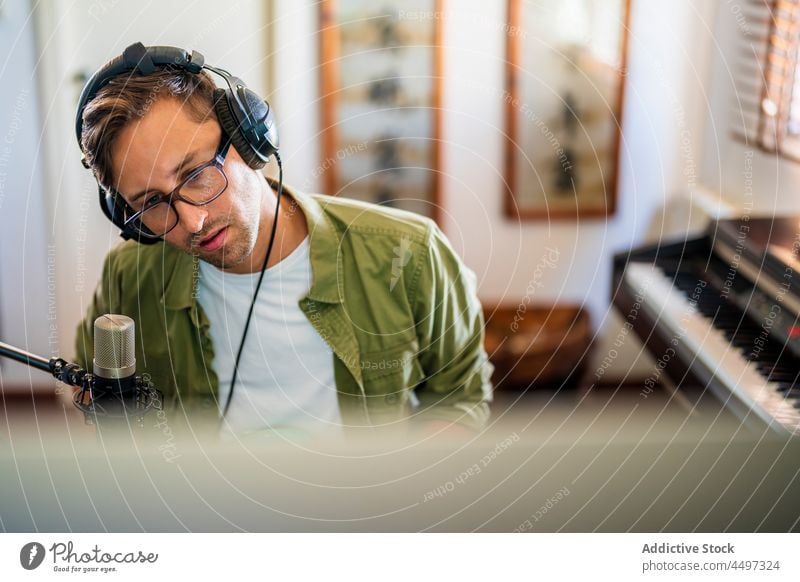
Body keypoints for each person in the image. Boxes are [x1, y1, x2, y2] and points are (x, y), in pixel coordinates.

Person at [74, 43, 492, 439]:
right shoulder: (128, 274)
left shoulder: (410, 252)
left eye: (196, 175)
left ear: (248, 139)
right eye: (152, 203)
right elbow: (84, 383)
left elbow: (460, 398)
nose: (193, 220)